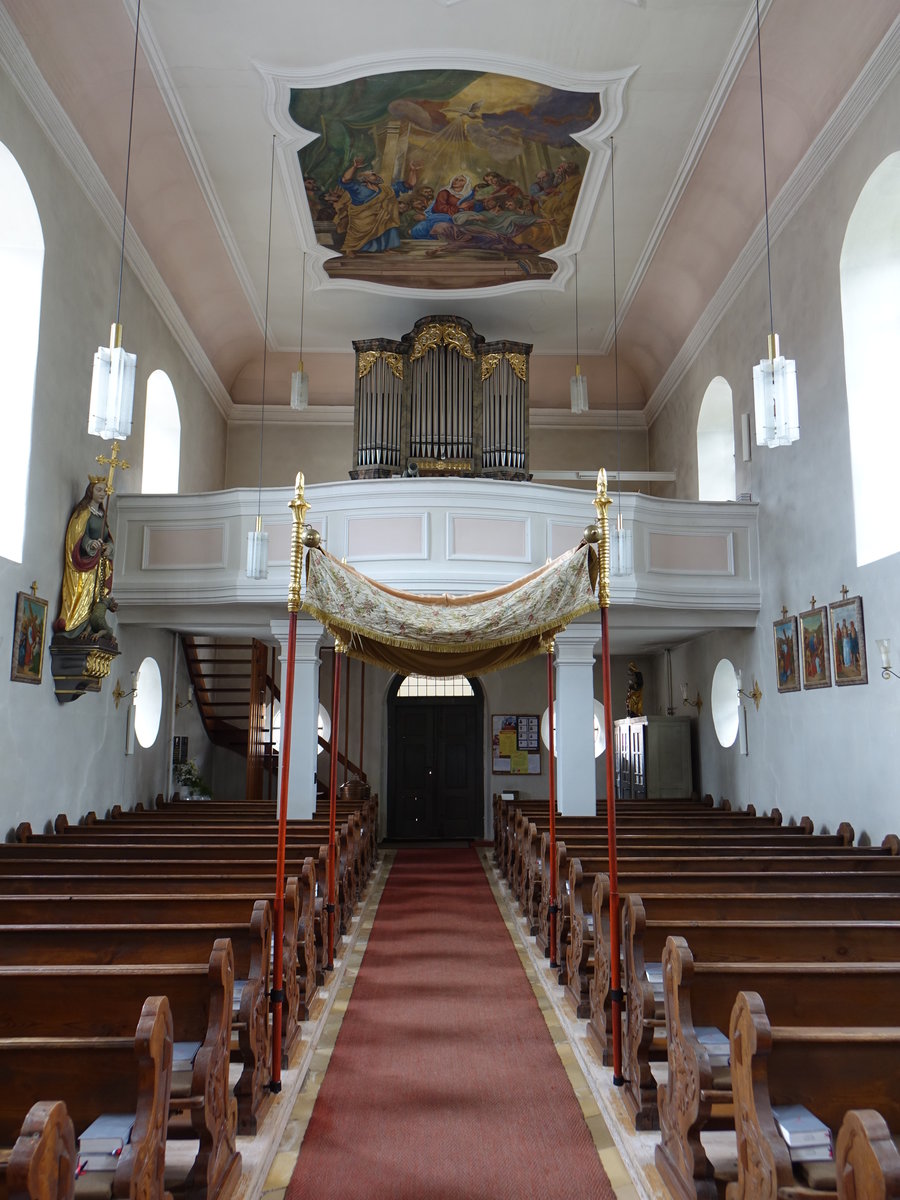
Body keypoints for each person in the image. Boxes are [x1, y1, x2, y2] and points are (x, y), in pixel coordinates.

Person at [54, 476, 116, 640]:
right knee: (83, 596)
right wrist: (90, 544)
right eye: (99, 490)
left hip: (98, 566)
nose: (102, 493)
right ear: (90, 491)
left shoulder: (102, 516)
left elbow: (108, 538)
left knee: (95, 599)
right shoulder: (82, 513)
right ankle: (75, 627)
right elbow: (77, 536)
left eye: (104, 490)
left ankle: (90, 627)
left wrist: (108, 547)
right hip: (84, 565)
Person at [338, 156, 421, 255]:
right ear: (365, 179)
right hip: (362, 219)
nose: (377, 176)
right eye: (373, 175)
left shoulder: (386, 190)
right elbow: (345, 180)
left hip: (381, 218)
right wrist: (355, 167)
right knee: (356, 233)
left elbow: (409, 184)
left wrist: (413, 170)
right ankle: (351, 248)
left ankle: (387, 248)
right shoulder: (358, 189)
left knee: (387, 219)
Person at [410, 173, 478, 240]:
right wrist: (458, 208)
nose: (457, 181)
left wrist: (463, 210)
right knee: (420, 229)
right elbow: (439, 208)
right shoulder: (444, 192)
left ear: (466, 183)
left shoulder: (469, 195)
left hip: (461, 218)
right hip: (443, 216)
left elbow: (469, 209)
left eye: (461, 180)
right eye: (455, 179)